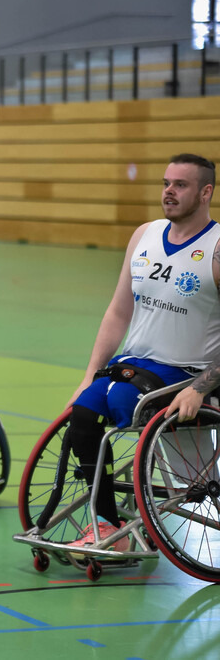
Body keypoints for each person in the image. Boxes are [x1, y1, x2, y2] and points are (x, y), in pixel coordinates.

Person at [62, 153, 220, 548]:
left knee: (122, 407)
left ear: (205, 193)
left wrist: (200, 388)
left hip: (186, 372)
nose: (168, 191)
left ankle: (128, 524)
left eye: (180, 185)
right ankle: (109, 524)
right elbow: (118, 311)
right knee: (82, 414)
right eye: (166, 183)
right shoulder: (144, 234)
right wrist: (88, 375)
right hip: (135, 366)